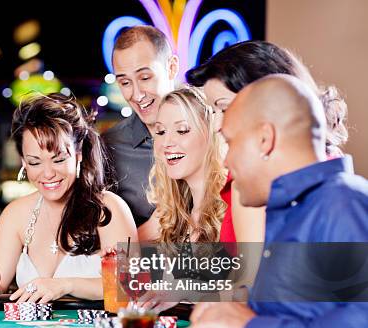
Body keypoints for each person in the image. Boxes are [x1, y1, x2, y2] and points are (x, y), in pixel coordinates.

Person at [185, 74, 368, 328]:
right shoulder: (294, 213)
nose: (226, 160)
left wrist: (250, 327)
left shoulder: (342, 203)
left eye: (231, 141)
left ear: (264, 139)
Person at [0, 93, 137, 303]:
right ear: (23, 161)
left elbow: (130, 287)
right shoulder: (15, 214)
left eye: (58, 159)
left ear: (78, 155)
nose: (47, 173)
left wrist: (65, 285)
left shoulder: (109, 208)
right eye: (34, 162)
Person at [186, 40, 349, 242]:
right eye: (214, 111)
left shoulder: (256, 182)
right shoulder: (325, 162)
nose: (218, 124)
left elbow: (253, 272)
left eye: (225, 108)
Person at [103, 25, 178, 230]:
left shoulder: (211, 132)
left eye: (145, 78)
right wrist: (153, 230)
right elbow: (102, 247)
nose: (137, 95)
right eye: (125, 82)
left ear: (172, 67)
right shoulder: (109, 148)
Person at [140, 86, 226, 244]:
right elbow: (122, 255)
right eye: (160, 132)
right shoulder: (168, 215)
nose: (166, 143)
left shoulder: (233, 205)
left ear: (211, 134)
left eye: (182, 130)